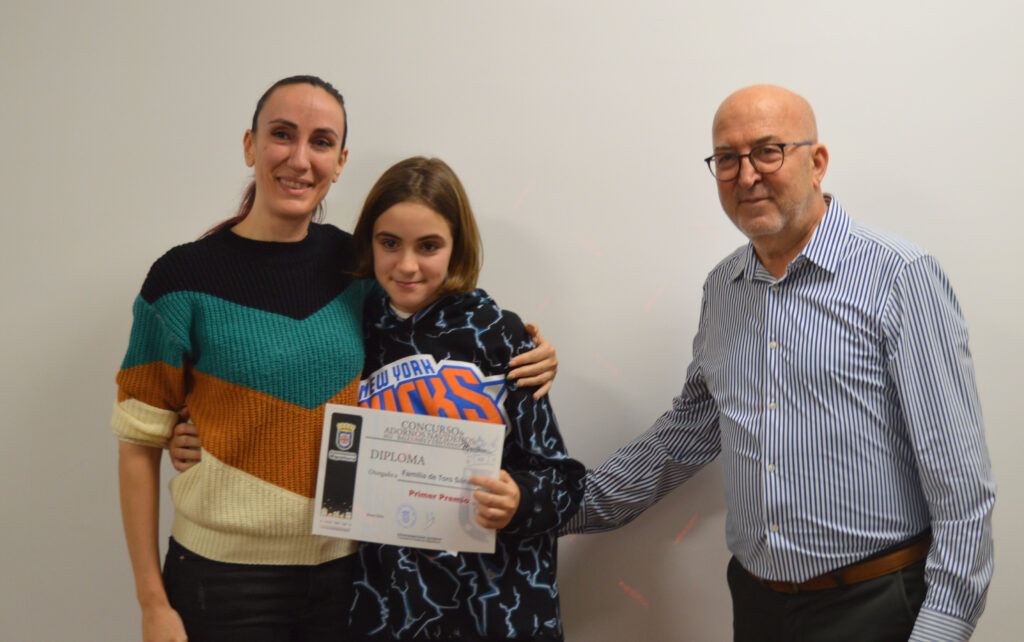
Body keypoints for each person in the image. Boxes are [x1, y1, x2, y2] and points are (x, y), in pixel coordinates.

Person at [113, 75, 556, 642]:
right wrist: (152, 603)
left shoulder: (361, 272)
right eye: (281, 134)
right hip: (220, 581)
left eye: (320, 142)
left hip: (350, 578)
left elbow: (443, 331)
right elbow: (136, 447)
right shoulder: (179, 279)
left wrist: (530, 350)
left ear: (340, 161)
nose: (300, 159)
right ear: (250, 145)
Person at [563, 85, 995, 642]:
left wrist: (942, 629)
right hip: (758, 604)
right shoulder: (724, 288)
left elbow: (962, 487)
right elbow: (686, 435)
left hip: (877, 604)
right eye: (727, 159)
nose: (746, 176)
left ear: (816, 163)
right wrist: (557, 506)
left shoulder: (900, 277)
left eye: (768, 151)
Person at [347, 156, 585, 640]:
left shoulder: (499, 336)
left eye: (429, 245)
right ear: (368, 243)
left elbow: (564, 482)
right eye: (389, 243)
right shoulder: (347, 330)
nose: (407, 264)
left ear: (456, 249)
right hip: (383, 608)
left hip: (495, 610)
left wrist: (519, 500)